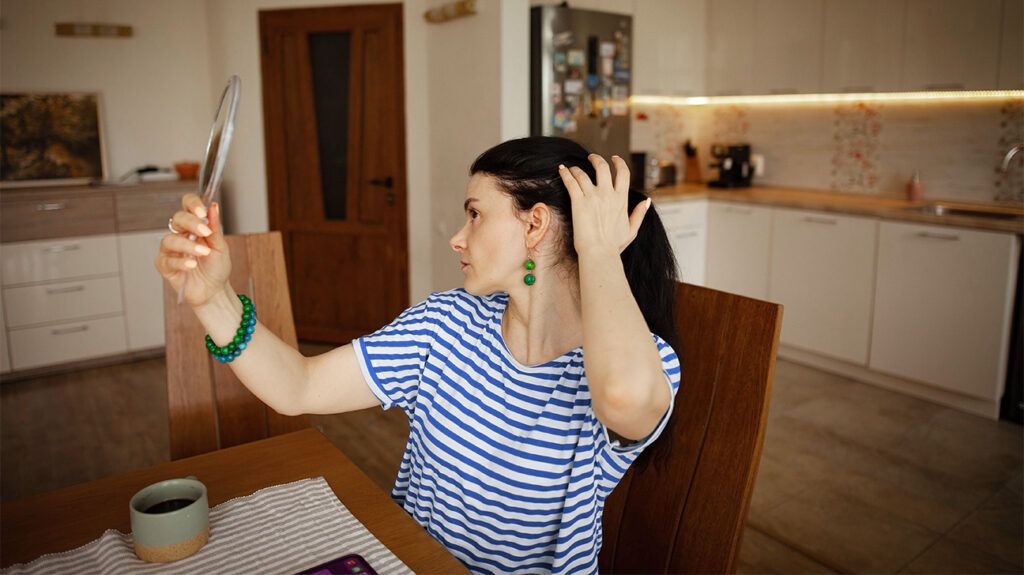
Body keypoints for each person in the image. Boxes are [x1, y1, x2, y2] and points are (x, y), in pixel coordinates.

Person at [155, 136, 681, 575]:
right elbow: (299, 387)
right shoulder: (445, 324)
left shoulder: (644, 362)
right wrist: (211, 298)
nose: (457, 238)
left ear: (535, 225)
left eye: (475, 214)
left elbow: (624, 396)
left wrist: (597, 251)